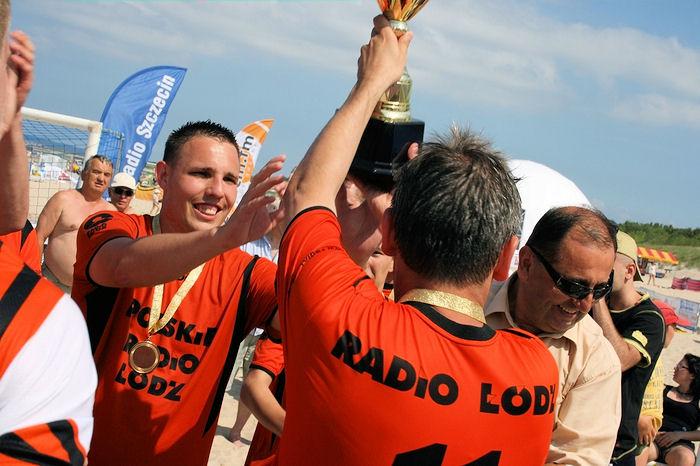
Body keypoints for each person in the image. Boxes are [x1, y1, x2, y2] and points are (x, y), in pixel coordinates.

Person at [276, 17, 558, 464]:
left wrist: (370, 84)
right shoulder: (538, 373)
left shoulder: (341, 315)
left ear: (389, 233)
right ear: (506, 256)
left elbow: (306, 193)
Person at [71, 120, 284, 466]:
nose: (218, 191)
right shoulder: (117, 226)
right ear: (163, 175)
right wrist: (222, 238)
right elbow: (120, 265)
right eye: (202, 174)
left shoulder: (247, 273)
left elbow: (314, 318)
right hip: (82, 454)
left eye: (230, 179)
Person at [0, 16, 97, 464]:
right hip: (41, 286)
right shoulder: (64, 199)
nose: (108, 185)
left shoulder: (49, 328)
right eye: (99, 174)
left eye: (112, 180)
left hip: (54, 296)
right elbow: (27, 231)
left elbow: (9, 221)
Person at [485, 206, 622, 465]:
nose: (586, 304)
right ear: (526, 264)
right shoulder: (470, 304)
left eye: (600, 290)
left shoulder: (595, 360)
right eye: (573, 286)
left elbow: (579, 458)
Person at [592, 230, 665, 465]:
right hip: (584, 430)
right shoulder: (592, 305)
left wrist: (597, 298)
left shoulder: (650, 318)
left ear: (629, 271)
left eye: (606, 267)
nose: (598, 273)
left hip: (617, 445)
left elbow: (620, 360)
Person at [36, 154, 116, 292]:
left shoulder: (112, 213)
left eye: (106, 174)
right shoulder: (62, 199)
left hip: (86, 291)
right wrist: (34, 272)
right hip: (49, 281)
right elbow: (39, 236)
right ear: (84, 174)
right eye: (96, 172)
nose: (101, 178)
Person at [635, 300, 685, 466]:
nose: (675, 332)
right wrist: (638, 418)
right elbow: (620, 387)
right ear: (664, 326)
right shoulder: (641, 352)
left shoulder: (656, 353)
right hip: (635, 428)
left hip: (644, 435)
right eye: (675, 327)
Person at [637, 354, 700, 466]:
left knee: (686, 458)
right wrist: (652, 432)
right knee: (638, 451)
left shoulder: (697, 401)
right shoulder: (662, 389)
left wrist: (678, 435)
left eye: (681, 366)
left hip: (679, 444)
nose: (675, 367)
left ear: (692, 375)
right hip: (653, 438)